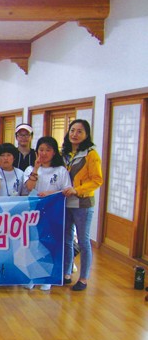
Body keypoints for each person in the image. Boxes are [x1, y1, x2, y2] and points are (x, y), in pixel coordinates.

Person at [23, 136, 72, 291]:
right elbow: (29, 188)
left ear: (54, 152)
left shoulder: (61, 170)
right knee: (34, 243)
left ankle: (48, 277)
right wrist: (36, 168)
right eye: (41, 150)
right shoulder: (30, 169)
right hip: (34, 211)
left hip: (54, 212)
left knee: (51, 243)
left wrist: (50, 193)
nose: (44, 153)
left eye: (48, 150)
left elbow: (66, 190)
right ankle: (33, 276)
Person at [61, 119, 103, 291]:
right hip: (64, 203)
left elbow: (97, 180)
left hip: (82, 203)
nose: (75, 134)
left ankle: (84, 278)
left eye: (80, 131)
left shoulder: (91, 154)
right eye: (72, 130)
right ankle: (66, 273)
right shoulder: (64, 153)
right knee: (66, 239)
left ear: (86, 135)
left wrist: (77, 190)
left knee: (84, 241)